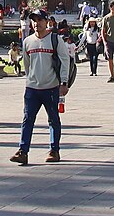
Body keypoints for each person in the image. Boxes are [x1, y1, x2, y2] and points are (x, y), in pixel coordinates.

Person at [12, 9, 74, 164]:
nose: (36, 23)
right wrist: (30, 79)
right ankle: (23, 151)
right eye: (33, 20)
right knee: (27, 119)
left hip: (51, 87)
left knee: (53, 119)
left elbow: (64, 61)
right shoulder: (27, 41)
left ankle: (54, 150)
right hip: (32, 88)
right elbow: (27, 64)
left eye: (40, 20)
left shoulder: (55, 39)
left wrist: (64, 83)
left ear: (47, 22)